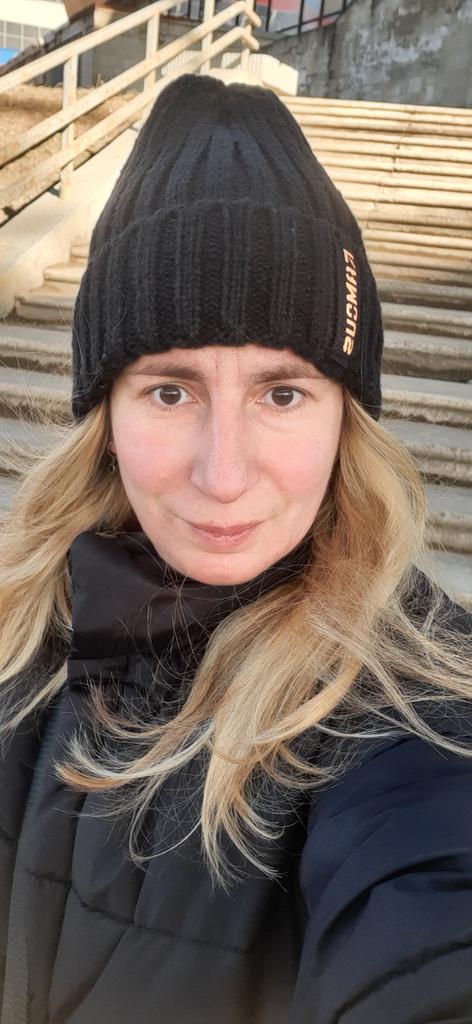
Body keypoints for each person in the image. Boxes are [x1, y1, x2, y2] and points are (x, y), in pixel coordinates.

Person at [1, 72, 472, 1024]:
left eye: (282, 393)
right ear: (106, 416)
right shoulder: (25, 626)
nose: (223, 475)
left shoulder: (415, 712)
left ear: (346, 419)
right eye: (170, 390)